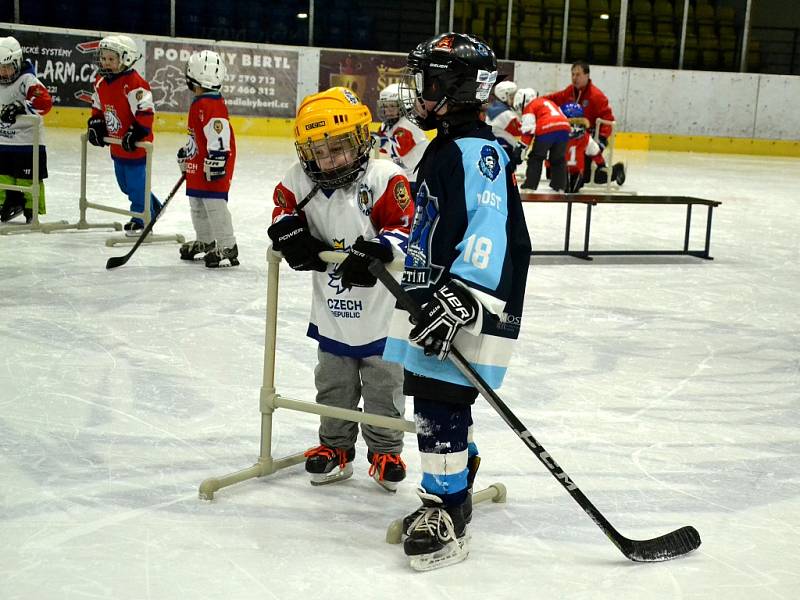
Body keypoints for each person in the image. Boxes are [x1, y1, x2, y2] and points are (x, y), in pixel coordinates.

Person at [383, 32, 531, 571]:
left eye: (428, 82)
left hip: (466, 301)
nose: (419, 92)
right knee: (434, 390)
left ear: (457, 88)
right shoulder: (448, 146)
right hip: (436, 294)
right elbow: (433, 222)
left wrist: (462, 296)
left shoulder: (478, 151)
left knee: (439, 401)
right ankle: (459, 475)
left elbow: (488, 227)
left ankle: (446, 509)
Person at [266, 86, 415, 492]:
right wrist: (289, 231)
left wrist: (379, 249)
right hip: (332, 308)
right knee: (332, 382)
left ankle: (386, 449)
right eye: (319, 151)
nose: (329, 161)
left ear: (362, 140)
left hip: (382, 311)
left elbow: (405, 229)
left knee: (384, 384)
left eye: (340, 148)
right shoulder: (299, 179)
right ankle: (335, 448)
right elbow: (282, 207)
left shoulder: (385, 176)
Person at [87, 35, 162, 234]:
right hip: (117, 145)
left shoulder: (134, 83)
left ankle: (140, 218)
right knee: (125, 186)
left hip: (136, 146)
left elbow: (146, 112)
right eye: (103, 58)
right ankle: (154, 207)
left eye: (111, 59)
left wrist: (137, 131)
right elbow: (97, 106)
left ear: (126, 59)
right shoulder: (101, 80)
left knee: (137, 186)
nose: (105, 62)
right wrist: (96, 123)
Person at [176, 50, 238, 268]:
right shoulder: (201, 101)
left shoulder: (211, 104)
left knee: (214, 205)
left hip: (212, 164)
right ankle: (205, 241)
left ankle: (227, 244)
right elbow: (200, 135)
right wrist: (189, 152)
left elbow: (219, 136)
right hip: (200, 163)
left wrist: (217, 159)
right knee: (198, 205)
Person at [544, 61, 625, 183]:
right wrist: (537, 102)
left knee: (584, 176)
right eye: (573, 74)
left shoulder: (596, 96)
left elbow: (608, 120)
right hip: (571, 137)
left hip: (589, 138)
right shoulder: (569, 91)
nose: (574, 78)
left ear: (587, 76)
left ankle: (616, 170)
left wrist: (601, 140)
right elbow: (553, 99)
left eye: (578, 75)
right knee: (552, 174)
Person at [0, 36, 52, 224]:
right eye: (0, 67)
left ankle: (32, 208)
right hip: (3, 142)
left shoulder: (27, 79)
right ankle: (6, 203)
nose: (3, 72)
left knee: (27, 180)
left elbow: (45, 103)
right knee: (2, 178)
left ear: (18, 61)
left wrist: (22, 106)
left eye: (7, 66)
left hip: (28, 143)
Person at [511, 88, 571, 192]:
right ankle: (559, 186)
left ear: (524, 100)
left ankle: (530, 186)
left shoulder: (530, 106)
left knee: (536, 157)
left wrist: (521, 148)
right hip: (564, 127)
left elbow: (528, 131)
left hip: (546, 129)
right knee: (558, 159)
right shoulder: (548, 102)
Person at [374, 82, 429, 195]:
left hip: (417, 179)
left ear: (405, 105)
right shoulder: (387, 125)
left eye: (393, 106)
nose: (388, 110)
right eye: (385, 106)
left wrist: (376, 140)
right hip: (403, 175)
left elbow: (399, 149)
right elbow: (382, 149)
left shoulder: (410, 124)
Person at [484, 80, 521, 159]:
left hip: (497, 146)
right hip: (504, 148)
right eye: (512, 96)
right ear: (504, 96)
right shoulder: (505, 113)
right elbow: (519, 132)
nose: (515, 98)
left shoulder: (496, 107)